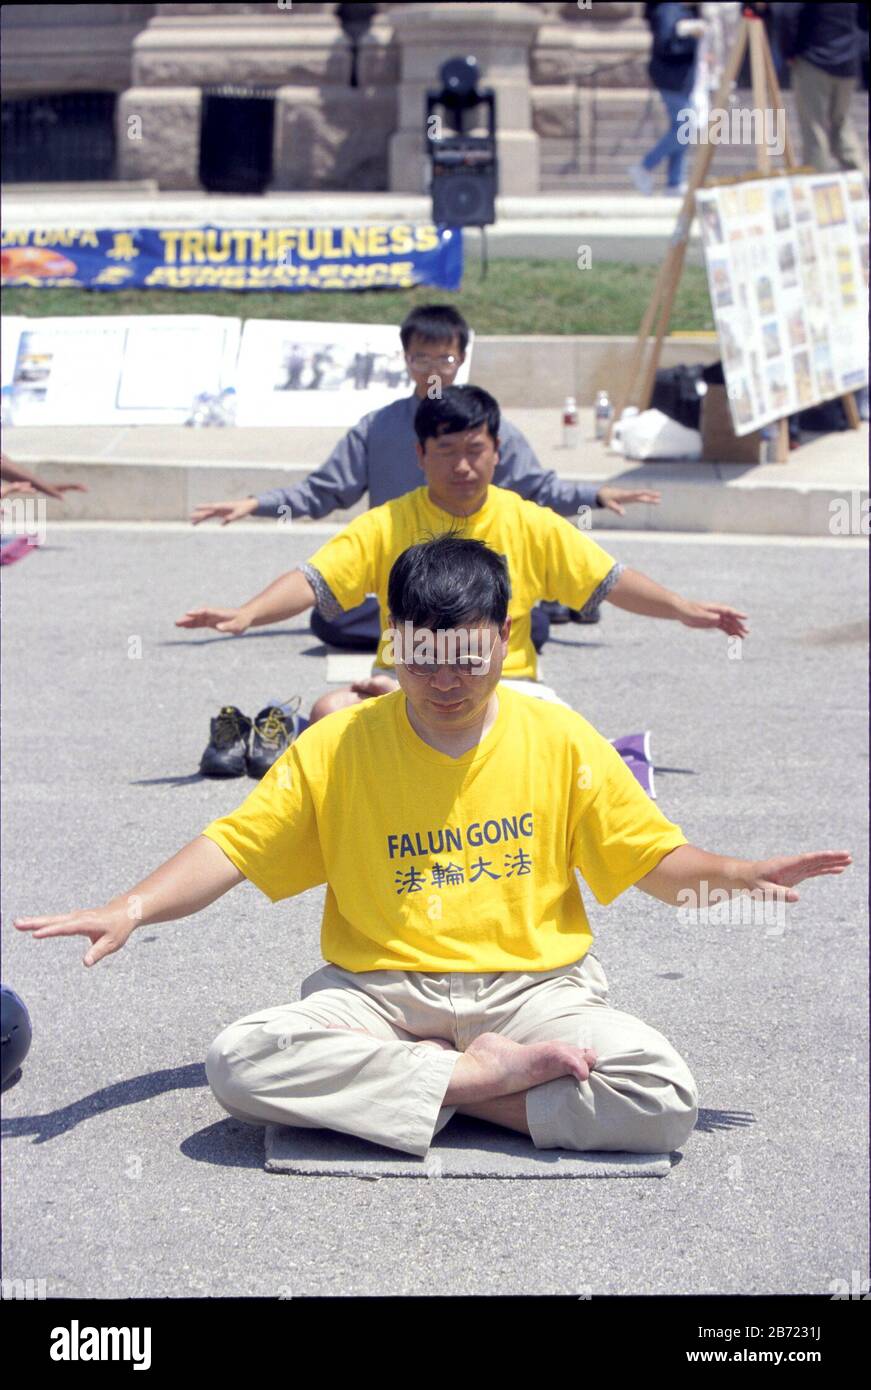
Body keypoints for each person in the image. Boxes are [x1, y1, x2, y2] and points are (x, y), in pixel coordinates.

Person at [15, 536, 851, 1158]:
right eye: (423, 661)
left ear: (506, 632)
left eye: (467, 660)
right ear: (391, 640)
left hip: (532, 993)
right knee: (240, 1063)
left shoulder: (557, 736)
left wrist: (735, 874)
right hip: (379, 997)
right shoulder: (339, 745)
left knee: (664, 1099)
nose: (446, 683)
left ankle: (432, 1085)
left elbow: (655, 863)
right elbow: (231, 848)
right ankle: (485, 1083)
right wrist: (130, 907)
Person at [176, 385, 748, 766]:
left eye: (475, 449)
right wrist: (247, 613)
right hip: (404, 678)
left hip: (509, 684)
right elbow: (315, 579)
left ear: (497, 451)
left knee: (573, 744)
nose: (463, 465)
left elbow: (610, 580)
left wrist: (684, 609)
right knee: (329, 714)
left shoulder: (531, 523)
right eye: (446, 451)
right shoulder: (387, 522)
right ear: (420, 455)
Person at [188, 305, 661, 654]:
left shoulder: (487, 428)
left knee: (521, 626)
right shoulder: (378, 427)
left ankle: (543, 606)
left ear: (461, 360)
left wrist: (597, 494)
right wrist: (255, 503)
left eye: (445, 360)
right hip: (405, 585)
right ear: (405, 359)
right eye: (422, 359)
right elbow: (323, 491)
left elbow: (541, 488)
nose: (434, 370)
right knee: (329, 621)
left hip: (476, 585)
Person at [771, 2, 869, 178]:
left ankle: (818, 184)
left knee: (815, 130)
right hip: (847, 64)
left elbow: (786, 14)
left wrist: (789, 52)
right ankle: (861, 177)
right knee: (841, 125)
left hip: (814, 61)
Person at [630, 2, 707, 195]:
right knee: (685, 127)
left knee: (682, 128)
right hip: (670, 78)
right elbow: (666, 45)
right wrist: (691, 37)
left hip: (681, 79)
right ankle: (645, 166)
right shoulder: (668, 9)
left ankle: (674, 182)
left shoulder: (681, 10)